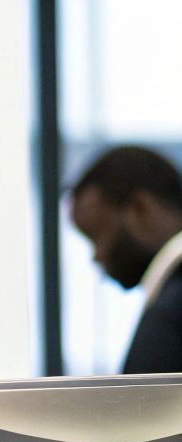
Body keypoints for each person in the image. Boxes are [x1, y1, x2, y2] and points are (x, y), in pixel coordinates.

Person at [70, 145, 182, 373]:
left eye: (98, 235)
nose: (97, 256)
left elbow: (144, 408)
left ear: (141, 208)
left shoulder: (171, 313)